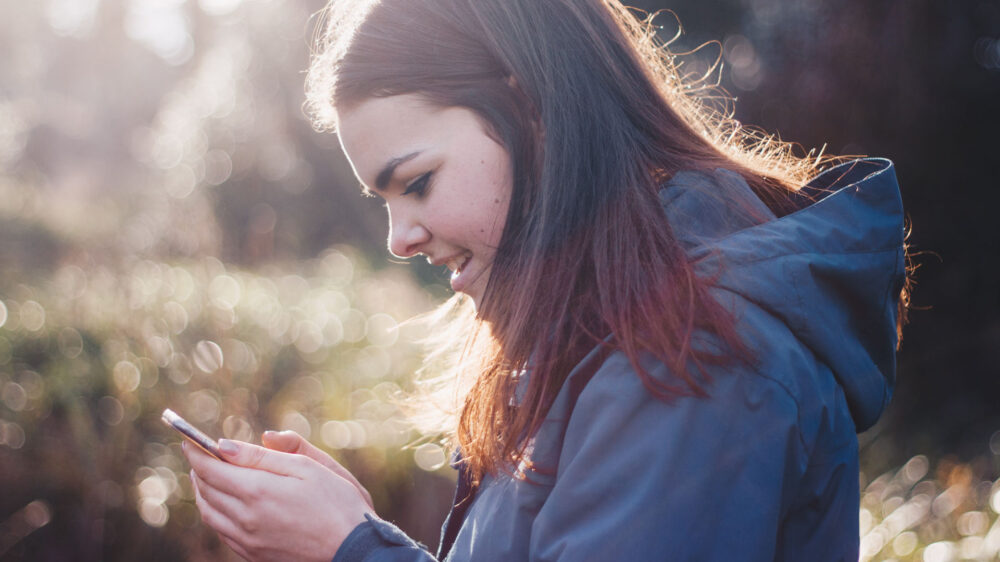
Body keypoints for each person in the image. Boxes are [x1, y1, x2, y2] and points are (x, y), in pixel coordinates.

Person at [182, 0, 909, 560]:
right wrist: (357, 533)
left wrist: (348, 548)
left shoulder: (694, 357)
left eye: (417, 182)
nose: (399, 239)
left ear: (530, 109)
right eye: (386, 202)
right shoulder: (606, 333)